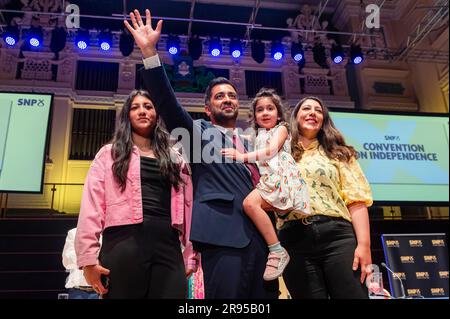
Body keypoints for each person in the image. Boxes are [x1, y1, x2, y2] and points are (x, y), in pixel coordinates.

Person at [124, 9, 278, 299]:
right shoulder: (199, 133)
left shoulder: (254, 142)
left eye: (232, 95)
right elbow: (168, 105)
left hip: (263, 242)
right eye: (220, 96)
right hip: (222, 237)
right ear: (208, 108)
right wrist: (149, 53)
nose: (228, 99)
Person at [75, 89, 198, 299]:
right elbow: (92, 205)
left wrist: (190, 255)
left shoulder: (176, 159)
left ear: (157, 115)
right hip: (123, 244)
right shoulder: (109, 154)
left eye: (148, 106)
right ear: (127, 116)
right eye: (135, 107)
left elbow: (189, 209)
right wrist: (87, 259)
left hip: (167, 243)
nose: (142, 111)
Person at [279, 96, 373, 299]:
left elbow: (357, 200)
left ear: (324, 120)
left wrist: (364, 245)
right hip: (294, 241)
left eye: (318, 110)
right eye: (306, 108)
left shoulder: (339, 153)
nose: (312, 112)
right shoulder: (281, 154)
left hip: (338, 238)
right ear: (296, 117)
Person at [221, 88, 310, 281]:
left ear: (279, 115)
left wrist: (242, 156)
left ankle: (277, 250)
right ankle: (275, 249)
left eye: (270, 108)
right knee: (251, 206)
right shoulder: (257, 136)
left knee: (249, 204)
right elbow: (239, 138)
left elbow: (270, 151)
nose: (265, 113)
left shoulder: (282, 129)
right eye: (260, 110)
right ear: (254, 116)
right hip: (269, 180)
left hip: (280, 179)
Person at [62, 228, 99, 299]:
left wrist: (81, 257)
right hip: (77, 291)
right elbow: (67, 262)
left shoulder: (106, 233)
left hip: (100, 290)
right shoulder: (73, 232)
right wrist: (88, 257)